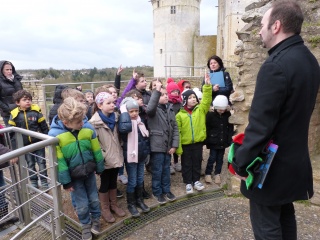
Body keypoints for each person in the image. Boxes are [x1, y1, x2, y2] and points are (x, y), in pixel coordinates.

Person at [231, 1, 320, 239]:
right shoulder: (310, 61)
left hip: (270, 170)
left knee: (267, 227)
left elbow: (261, 127)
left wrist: (240, 162)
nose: (260, 30)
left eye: (262, 24)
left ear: (276, 26)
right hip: (294, 162)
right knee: (285, 216)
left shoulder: (275, 66)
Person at [48, 97, 104, 240]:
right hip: (74, 176)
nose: (82, 123)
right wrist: (66, 181)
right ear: (66, 122)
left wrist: (99, 166)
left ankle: (96, 219)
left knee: (94, 199)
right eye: (78, 122)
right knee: (82, 203)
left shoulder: (87, 128)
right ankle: (85, 224)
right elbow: (59, 161)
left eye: (83, 119)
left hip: (89, 172)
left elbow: (96, 149)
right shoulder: (56, 136)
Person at [89, 92, 126, 223]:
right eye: (108, 103)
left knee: (113, 181)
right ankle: (105, 208)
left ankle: (114, 205)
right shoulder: (94, 123)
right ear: (99, 105)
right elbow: (93, 143)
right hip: (105, 159)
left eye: (113, 102)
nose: (112, 105)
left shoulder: (116, 117)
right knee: (105, 183)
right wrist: (103, 156)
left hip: (115, 155)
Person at [176, 75, 212, 194]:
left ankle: (196, 180)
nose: (193, 99)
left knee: (197, 162)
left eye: (194, 97)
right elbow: (178, 132)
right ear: (185, 100)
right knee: (186, 163)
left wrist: (207, 86)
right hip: (186, 144)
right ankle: (188, 183)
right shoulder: (179, 115)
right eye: (190, 97)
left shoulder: (200, 110)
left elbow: (206, 100)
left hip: (197, 143)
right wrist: (179, 148)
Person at [9, 90, 49, 189]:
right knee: (30, 164)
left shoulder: (36, 111)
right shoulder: (14, 114)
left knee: (42, 162)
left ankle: (44, 181)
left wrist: (48, 139)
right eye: (25, 100)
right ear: (17, 102)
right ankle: (34, 181)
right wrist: (14, 149)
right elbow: (12, 134)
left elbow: (44, 126)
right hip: (25, 145)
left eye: (29, 100)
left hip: (38, 143)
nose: (28, 102)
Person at [146, 80, 179, 204]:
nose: (166, 96)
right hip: (157, 146)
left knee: (166, 170)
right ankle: (157, 192)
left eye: (166, 94)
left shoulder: (170, 109)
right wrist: (156, 92)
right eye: (163, 94)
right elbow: (149, 109)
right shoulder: (153, 110)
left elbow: (175, 128)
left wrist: (174, 145)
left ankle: (166, 190)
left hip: (168, 146)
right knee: (157, 170)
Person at [118, 97, 150, 217]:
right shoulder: (125, 122)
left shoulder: (140, 121)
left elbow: (145, 139)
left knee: (140, 178)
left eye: (136, 111)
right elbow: (124, 129)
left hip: (141, 155)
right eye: (131, 111)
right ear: (126, 112)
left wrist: (146, 153)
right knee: (132, 180)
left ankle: (139, 200)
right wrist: (124, 113)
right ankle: (131, 203)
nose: (134, 113)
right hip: (131, 156)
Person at [204, 95, 233, 184]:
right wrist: (207, 140)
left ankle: (217, 173)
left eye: (223, 109)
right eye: (219, 109)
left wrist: (229, 139)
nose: (221, 111)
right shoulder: (210, 115)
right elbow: (207, 128)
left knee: (220, 158)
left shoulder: (227, 115)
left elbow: (230, 128)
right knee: (212, 157)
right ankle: (208, 173)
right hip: (214, 140)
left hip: (223, 140)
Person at [166, 78, 182, 174]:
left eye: (177, 91)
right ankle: (169, 164)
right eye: (173, 91)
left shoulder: (180, 103)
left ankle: (176, 162)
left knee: (176, 145)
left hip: (177, 128)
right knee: (168, 146)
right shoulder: (167, 104)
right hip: (169, 128)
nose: (176, 93)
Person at [0, 61, 23, 127]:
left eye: (10, 69)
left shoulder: (16, 80)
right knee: (12, 134)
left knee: (23, 133)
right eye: (7, 69)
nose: (9, 71)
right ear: (1, 70)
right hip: (8, 113)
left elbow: (22, 93)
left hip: (20, 111)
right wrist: (7, 109)